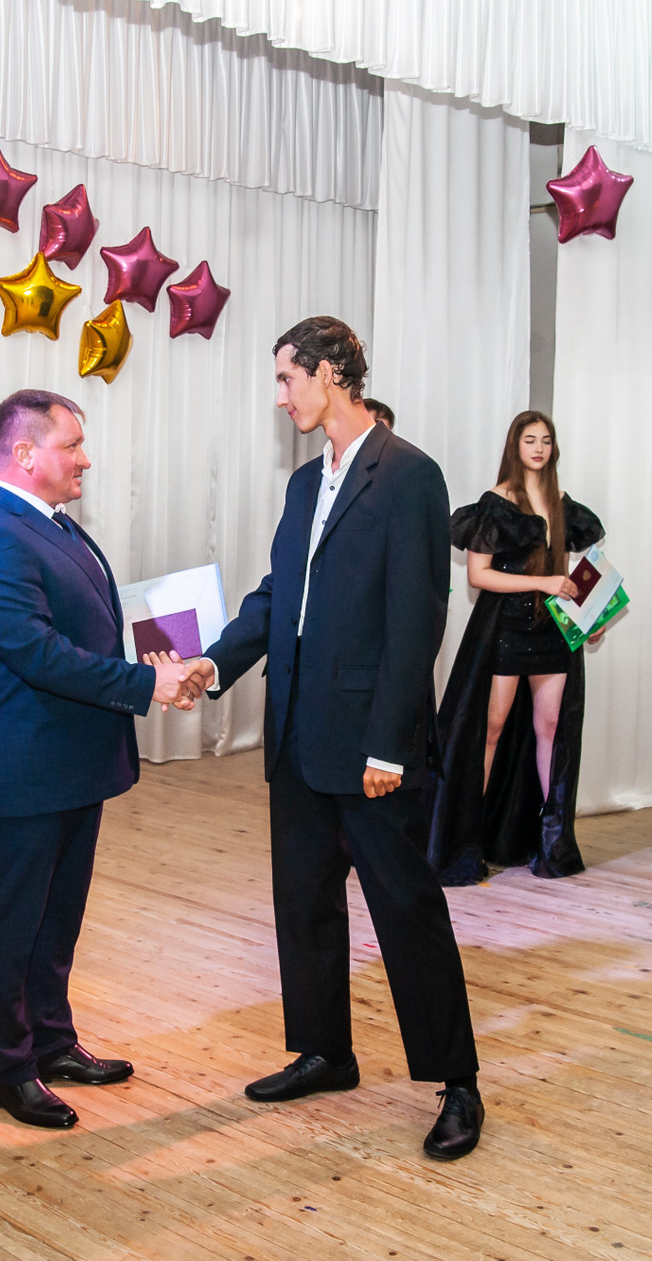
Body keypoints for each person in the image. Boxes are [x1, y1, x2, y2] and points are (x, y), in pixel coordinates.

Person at [175, 317, 484, 1161]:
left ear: (332, 373)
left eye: (287, 379)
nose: (280, 398)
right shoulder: (305, 484)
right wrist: (213, 662)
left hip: (370, 745)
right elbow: (279, 596)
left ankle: (457, 1082)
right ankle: (325, 1053)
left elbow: (416, 620)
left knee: (407, 913)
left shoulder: (410, 474)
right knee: (304, 904)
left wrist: (390, 745)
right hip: (298, 736)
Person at [0, 389, 196, 1130]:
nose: (85, 459)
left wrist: (168, 655)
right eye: (72, 445)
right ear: (26, 454)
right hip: (28, 767)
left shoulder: (54, 526)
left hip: (73, 761)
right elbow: (39, 655)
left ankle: (53, 1043)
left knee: (57, 919)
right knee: (13, 924)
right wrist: (147, 684)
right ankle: (8, 1068)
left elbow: (92, 631)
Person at [427, 410, 605, 886]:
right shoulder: (496, 503)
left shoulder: (562, 504)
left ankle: (552, 841)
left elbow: (573, 576)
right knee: (490, 730)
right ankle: (467, 840)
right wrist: (544, 582)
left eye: (546, 440)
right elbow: (478, 575)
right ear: (515, 446)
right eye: (530, 440)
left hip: (551, 633)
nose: (539, 448)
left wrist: (591, 619)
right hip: (506, 629)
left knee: (550, 728)